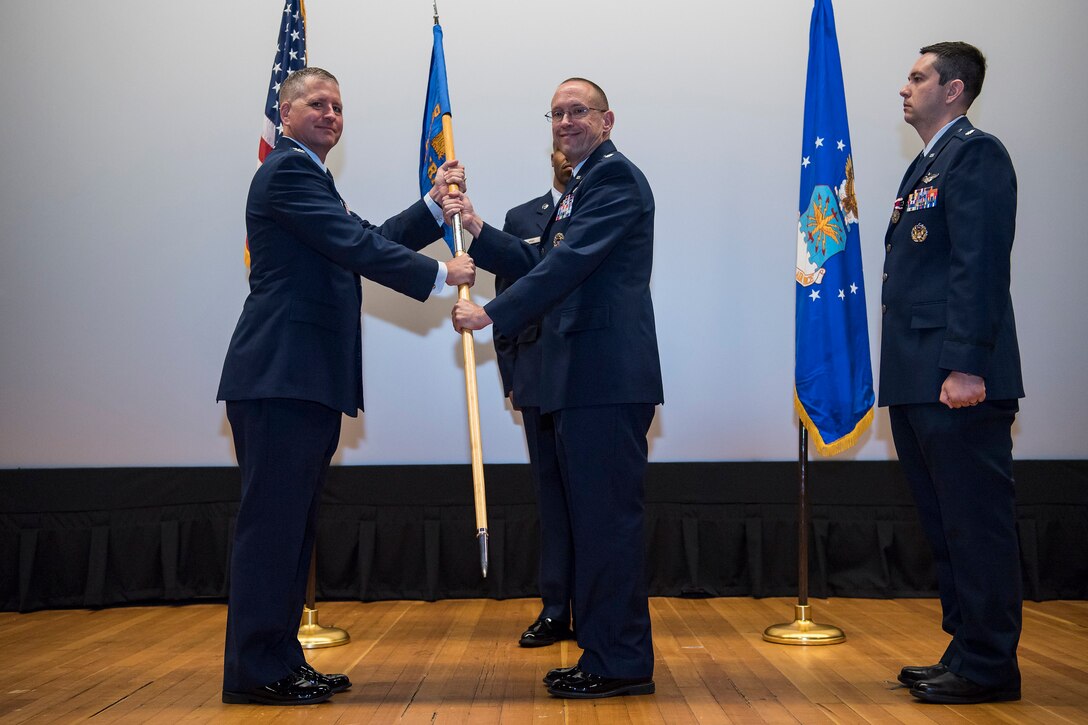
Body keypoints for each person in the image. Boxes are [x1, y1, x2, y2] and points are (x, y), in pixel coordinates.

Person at [216, 66, 475, 706]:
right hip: (282, 373)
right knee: (272, 529)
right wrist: (442, 276)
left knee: (291, 529)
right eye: (316, 103)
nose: (331, 113)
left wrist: (428, 209)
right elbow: (353, 244)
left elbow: (362, 241)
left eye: (338, 105)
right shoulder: (288, 171)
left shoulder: (312, 178)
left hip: (302, 377)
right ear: (285, 113)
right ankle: (255, 671)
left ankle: (278, 660)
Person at [450, 78, 662, 699]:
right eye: (557, 113)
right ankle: (603, 653)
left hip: (604, 379)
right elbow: (541, 256)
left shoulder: (614, 179)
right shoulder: (583, 186)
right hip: (580, 380)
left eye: (579, 111)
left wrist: (492, 314)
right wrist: (478, 228)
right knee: (591, 524)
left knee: (607, 526)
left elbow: (567, 266)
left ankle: (620, 662)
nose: (565, 121)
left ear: (608, 119)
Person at [879, 42, 1023, 705]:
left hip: (955, 375)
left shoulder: (977, 155)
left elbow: (979, 265)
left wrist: (966, 365)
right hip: (916, 374)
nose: (904, 88)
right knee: (944, 525)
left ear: (955, 89)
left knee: (975, 523)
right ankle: (964, 647)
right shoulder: (925, 166)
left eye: (917, 77)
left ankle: (990, 664)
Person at [493, 147, 576, 648]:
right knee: (550, 495)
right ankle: (555, 608)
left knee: (589, 499)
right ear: (550, 156)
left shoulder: (599, 208)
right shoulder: (522, 218)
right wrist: (512, 375)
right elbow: (508, 302)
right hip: (539, 377)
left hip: (587, 377)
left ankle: (592, 607)